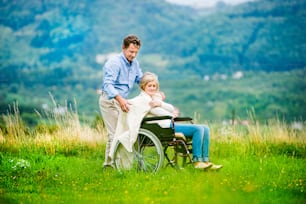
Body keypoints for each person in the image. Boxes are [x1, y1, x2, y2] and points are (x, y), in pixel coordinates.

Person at [141, 72, 223, 170]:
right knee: (198, 129)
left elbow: (170, 108)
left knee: (206, 128)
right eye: (149, 86)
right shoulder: (146, 100)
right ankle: (197, 161)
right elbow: (162, 112)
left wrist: (160, 103)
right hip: (164, 128)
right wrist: (172, 114)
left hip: (169, 125)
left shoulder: (154, 99)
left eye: (154, 86)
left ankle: (205, 160)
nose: (152, 88)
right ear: (143, 86)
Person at [99, 34, 143, 168]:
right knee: (115, 134)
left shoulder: (134, 63)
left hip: (122, 101)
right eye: (131, 51)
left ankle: (110, 164)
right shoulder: (114, 63)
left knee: (122, 132)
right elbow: (108, 85)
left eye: (136, 52)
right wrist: (120, 100)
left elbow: (140, 79)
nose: (133, 55)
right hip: (110, 101)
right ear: (123, 48)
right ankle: (111, 165)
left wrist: (153, 87)